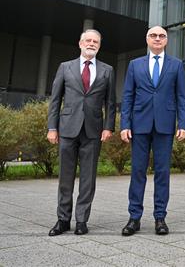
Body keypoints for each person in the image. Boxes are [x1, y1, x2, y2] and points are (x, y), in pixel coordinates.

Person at [120, 26, 185, 236]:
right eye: (153, 35)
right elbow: (128, 97)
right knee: (137, 172)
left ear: (166, 40)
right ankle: (134, 218)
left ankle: (160, 218)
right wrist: (125, 125)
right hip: (139, 125)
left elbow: (182, 97)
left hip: (165, 126)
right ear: (147, 39)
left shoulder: (176, 65)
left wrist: (183, 124)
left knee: (162, 173)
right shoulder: (134, 65)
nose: (157, 39)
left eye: (161, 36)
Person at [47, 29, 116, 236]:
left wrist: (108, 127)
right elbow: (55, 99)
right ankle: (62, 219)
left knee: (88, 178)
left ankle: (82, 220)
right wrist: (52, 127)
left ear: (99, 46)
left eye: (95, 41)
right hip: (67, 128)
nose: (91, 44)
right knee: (65, 177)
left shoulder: (107, 70)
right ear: (80, 43)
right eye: (88, 40)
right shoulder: (65, 67)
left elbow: (110, 102)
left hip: (93, 131)